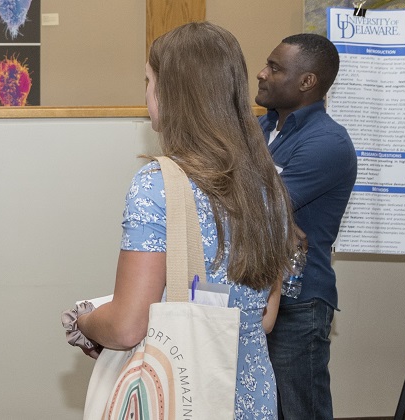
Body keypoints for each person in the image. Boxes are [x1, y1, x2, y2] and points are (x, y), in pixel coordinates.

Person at [65, 22, 296, 418]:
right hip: (252, 396)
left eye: (148, 81)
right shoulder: (268, 181)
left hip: (185, 396)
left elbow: (127, 326)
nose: (146, 93)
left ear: (170, 94)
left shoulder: (158, 183)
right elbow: (267, 317)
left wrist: (83, 321)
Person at [256, 33, 357, 420]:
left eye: (275, 67)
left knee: (300, 412)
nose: (262, 74)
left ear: (307, 81)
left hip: (298, 304)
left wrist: (254, 200)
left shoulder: (327, 142)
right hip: (256, 295)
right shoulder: (259, 130)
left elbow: (258, 208)